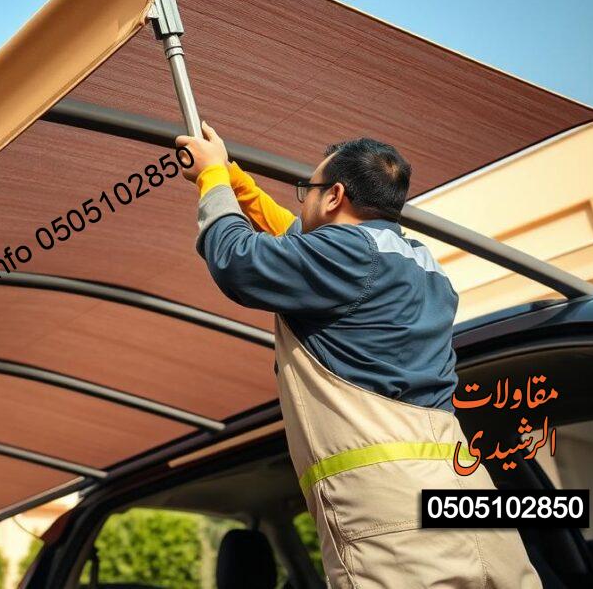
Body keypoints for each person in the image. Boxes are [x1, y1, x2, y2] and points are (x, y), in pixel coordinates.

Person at [176, 123, 541, 588]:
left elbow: (239, 262)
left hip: (395, 518)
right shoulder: (414, 259)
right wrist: (233, 178)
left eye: (306, 190)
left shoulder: (347, 257)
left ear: (334, 196)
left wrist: (212, 182)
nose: (299, 201)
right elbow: (296, 235)